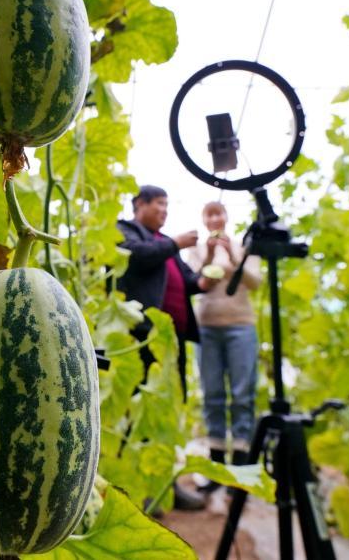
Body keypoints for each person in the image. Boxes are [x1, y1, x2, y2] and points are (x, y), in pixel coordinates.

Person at [116, 185, 218, 511]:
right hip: (141, 337)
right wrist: (175, 242)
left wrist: (210, 269)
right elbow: (134, 257)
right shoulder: (126, 230)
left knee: (166, 413)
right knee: (139, 411)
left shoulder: (166, 246)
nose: (165, 211)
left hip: (171, 341)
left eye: (167, 205)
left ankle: (163, 486)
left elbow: (192, 282)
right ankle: (136, 490)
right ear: (140, 204)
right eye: (160, 204)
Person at [187, 201, 262, 493]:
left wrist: (231, 254)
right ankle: (216, 469)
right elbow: (193, 279)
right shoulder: (197, 250)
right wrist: (207, 254)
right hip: (207, 327)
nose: (215, 218)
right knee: (212, 394)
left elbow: (255, 281)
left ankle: (241, 470)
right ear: (205, 220)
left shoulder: (244, 247)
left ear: (227, 216)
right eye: (209, 214)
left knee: (243, 394)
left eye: (219, 213)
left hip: (241, 325)